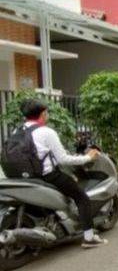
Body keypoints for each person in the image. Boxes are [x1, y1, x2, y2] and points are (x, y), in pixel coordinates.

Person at [20, 99, 106, 249]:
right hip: (47, 176)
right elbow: (63, 159)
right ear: (43, 114)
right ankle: (89, 237)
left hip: (25, 176)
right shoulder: (46, 131)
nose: (47, 115)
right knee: (82, 198)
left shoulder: (18, 131)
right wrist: (88, 157)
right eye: (46, 113)